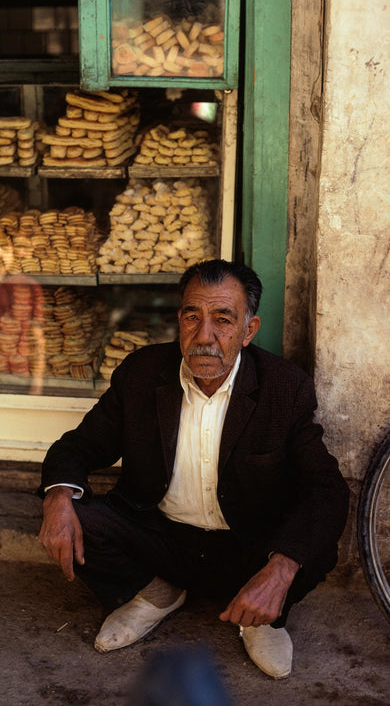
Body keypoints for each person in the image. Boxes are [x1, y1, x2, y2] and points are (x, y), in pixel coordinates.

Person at [38, 259, 349, 679]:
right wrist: (57, 497)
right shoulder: (142, 373)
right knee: (72, 513)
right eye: (192, 317)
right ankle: (155, 592)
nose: (204, 337)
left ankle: (262, 616)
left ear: (248, 330)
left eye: (223, 320)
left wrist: (280, 570)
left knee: (312, 547)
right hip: (161, 537)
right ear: (179, 320)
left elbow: (325, 490)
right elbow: (78, 446)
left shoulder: (284, 387)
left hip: (248, 546)